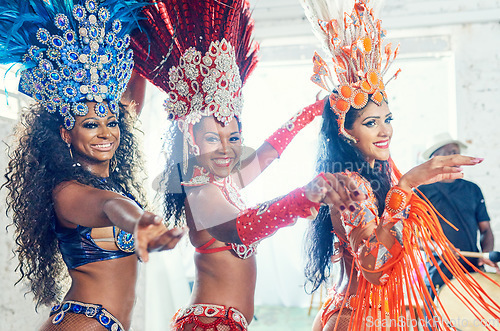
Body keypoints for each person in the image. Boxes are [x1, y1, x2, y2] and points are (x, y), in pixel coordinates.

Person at [130, 1, 366, 330]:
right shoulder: (199, 191)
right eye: (213, 138)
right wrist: (306, 196)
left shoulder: (225, 182)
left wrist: (311, 112)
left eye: (234, 136)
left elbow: (267, 155)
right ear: (192, 139)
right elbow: (241, 227)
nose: (227, 148)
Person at [300, 0, 500, 330]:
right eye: (371, 123)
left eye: (387, 119)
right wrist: (406, 185)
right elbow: (374, 268)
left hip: (387, 315)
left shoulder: (376, 175)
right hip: (359, 319)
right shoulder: (351, 184)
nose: (385, 130)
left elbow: (395, 244)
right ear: (347, 131)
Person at [0, 1, 185, 330]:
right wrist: (141, 221)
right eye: (89, 125)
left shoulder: (112, 184)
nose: (105, 133)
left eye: (111, 122)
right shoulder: (68, 193)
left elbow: (114, 201)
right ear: (65, 133)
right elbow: (111, 208)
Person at [419, 133, 499, 299]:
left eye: (455, 152)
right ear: (435, 158)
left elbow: (486, 230)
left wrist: (486, 254)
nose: (454, 157)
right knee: (436, 324)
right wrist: (439, 247)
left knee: (471, 324)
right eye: (448, 152)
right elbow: (414, 237)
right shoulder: (420, 192)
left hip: (472, 272)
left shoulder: (473, 189)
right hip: (437, 275)